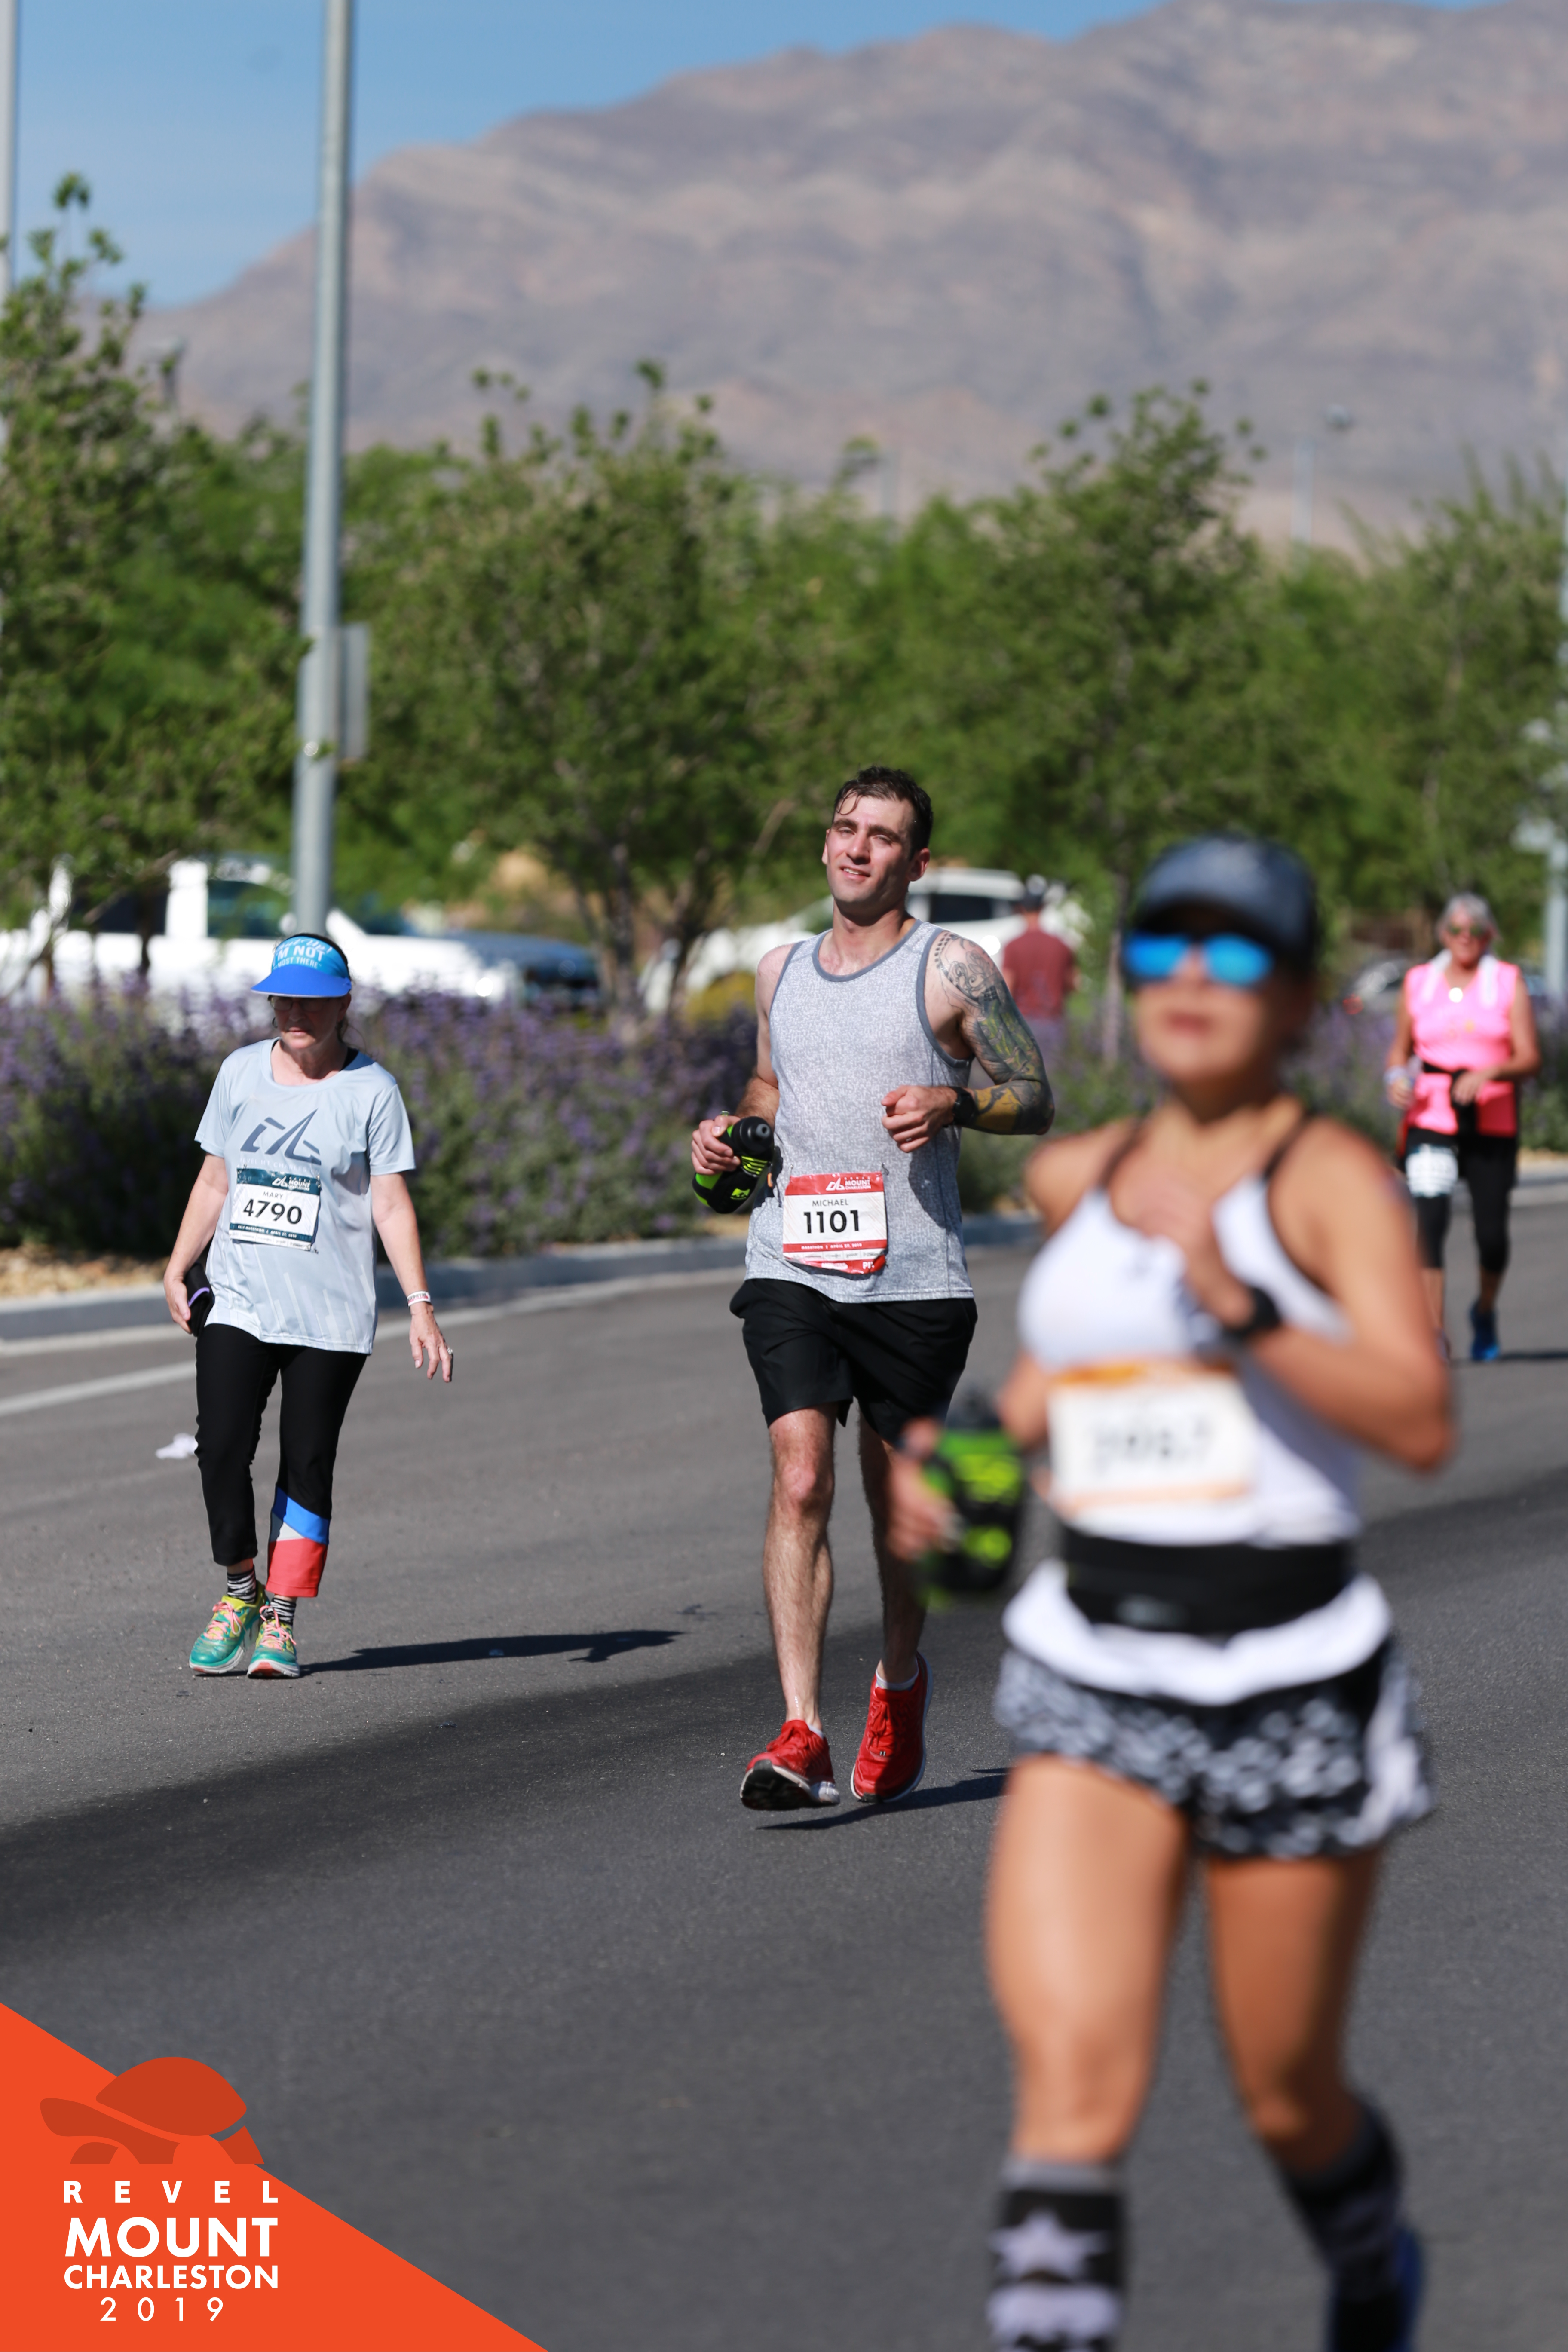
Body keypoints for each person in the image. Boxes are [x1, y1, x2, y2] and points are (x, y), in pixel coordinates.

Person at [890, 835, 1449, 2352]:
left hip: (1289, 1676)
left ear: (1298, 996)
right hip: (1095, 1673)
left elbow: (1415, 1421)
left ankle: (1368, 2267)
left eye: (1234, 949)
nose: (1190, 976)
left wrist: (1242, 1302)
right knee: (1071, 2092)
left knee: (1285, 2092)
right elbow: (1062, 1390)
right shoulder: (1083, 1174)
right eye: (1159, 947)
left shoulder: (1324, 1181)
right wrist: (963, 1463)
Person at [692, 765, 1054, 1811]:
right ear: (825, 841)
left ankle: (898, 1682)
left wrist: (954, 1103)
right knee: (802, 1475)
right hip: (792, 1261)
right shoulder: (779, 970)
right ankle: (801, 1728)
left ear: (916, 861)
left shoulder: (951, 968)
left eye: (883, 836)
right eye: (846, 828)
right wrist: (734, 1133)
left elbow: (1034, 1094)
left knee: (899, 1507)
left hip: (913, 1277)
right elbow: (771, 1083)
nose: (857, 848)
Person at [163, 932, 453, 1680]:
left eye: (313, 1001)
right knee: (221, 1445)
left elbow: (391, 1204)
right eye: (283, 1000)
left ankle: (281, 1620)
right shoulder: (239, 1072)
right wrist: (177, 1263)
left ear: (343, 1003)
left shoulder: (373, 1091)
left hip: (332, 1315)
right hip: (240, 1297)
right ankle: (240, 1591)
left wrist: (420, 1304)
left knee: (307, 1460)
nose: (296, 1014)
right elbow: (215, 1180)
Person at [1384, 893, 1540, 1361]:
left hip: (1492, 1118)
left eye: (1474, 930)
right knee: (1430, 1222)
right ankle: (1435, 1332)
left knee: (1492, 1237)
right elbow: (1400, 1049)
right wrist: (1395, 1077)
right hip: (1431, 1115)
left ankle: (1485, 1308)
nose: (1465, 937)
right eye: (1455, 929)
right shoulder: (1419, 982)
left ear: (1489, 935)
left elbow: (1530, 1057)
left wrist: (1491, 1072)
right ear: (1442, 934)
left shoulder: (1507, 981)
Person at [1001, 875, 1079, 1050]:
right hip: (1054, 1021)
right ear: (1043, 908)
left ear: (1021, 909)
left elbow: (1007, 988)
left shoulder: (1013, 946)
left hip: (1023, 1022)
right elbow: (1074, 984)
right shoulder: (1062, 945)